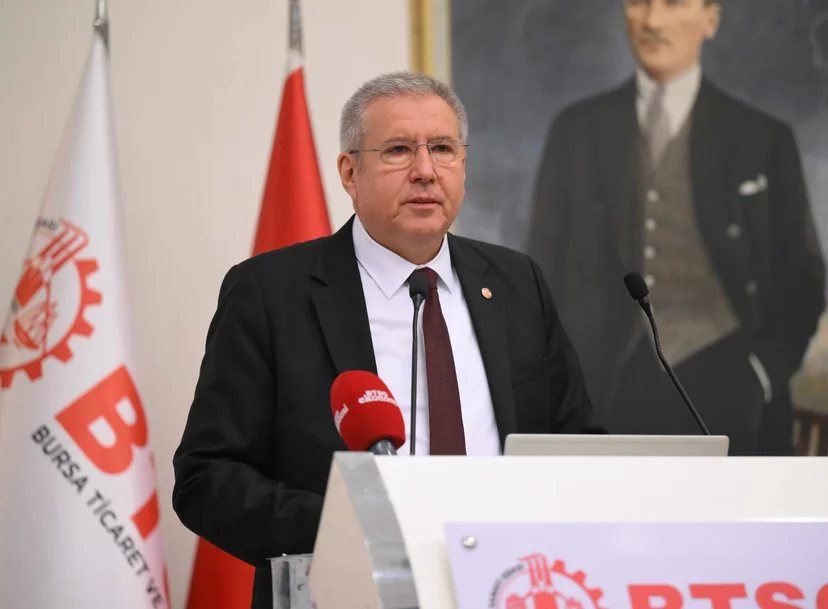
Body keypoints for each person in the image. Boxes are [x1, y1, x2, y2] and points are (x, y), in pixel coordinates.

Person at [173, 72, 595, 609]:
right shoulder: (270, 292)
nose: (425, 170)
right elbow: (207, 478)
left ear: (463, 164)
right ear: (350, 172)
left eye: (442, 148)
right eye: (398, 150)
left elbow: (577, 445)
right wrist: (352, 530)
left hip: (508, 587)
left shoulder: (517, 283)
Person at [527, 0, 826, 456]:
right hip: (605, 396)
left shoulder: (762, 139)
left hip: (731, 393)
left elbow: (803, 282)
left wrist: (760, 374)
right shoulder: (576, 132)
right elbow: (541, 278)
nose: (652, 21)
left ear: (711, 19)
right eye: (639, 3)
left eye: (672, 3)